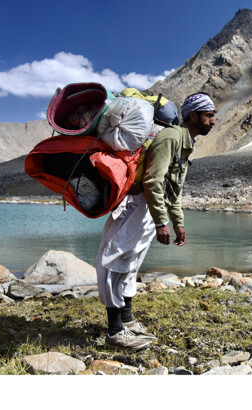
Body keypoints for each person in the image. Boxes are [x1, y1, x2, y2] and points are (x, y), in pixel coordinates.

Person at [95, 93, 216, 351]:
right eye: (209, 115)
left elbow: (173, 187)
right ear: (192, 115)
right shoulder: (172, 137)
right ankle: (114, 331)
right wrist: (163, 222)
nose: (213, 121)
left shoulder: (185, 141)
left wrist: (177, 222)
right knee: (115, 258)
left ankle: (126, 321)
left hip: (148, 208)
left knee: (131, 260)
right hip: (136, 203)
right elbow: (152, 181)